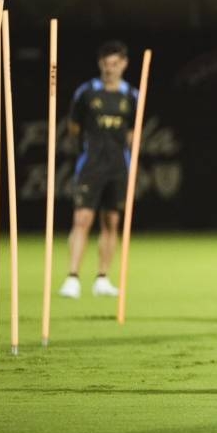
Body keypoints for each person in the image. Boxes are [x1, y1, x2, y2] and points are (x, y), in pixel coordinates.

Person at [58, 40, 138, 299]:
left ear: (124, 64)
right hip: (90, 166)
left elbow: (133, 131)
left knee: (111, 222)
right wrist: (86, 149)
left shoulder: (131, 96)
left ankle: (102, 278)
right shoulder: (87, 92)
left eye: (115, 64)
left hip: (118, 168)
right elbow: (73, 128)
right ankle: (72, 277)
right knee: (82, 219)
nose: (110, 69)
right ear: (99, 64)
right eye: (105, 64)